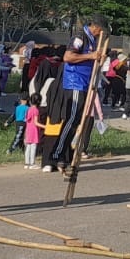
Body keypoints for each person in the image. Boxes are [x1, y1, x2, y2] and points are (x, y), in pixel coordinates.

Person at [52, 15, 109, 168]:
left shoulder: (93, 40)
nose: (100, 34)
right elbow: (68, 56)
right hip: (75, 82)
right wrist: (90, 55)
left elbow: (92, 60)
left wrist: (98, 59)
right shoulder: (80, 36)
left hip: (85, 83)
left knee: (78, 121)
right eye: (101, 31)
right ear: (96, 27)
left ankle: (68, 154)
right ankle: (58, 153)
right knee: (71, 119)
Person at [20, 94, 42, 169]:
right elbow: (36, 123)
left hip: (28, 130)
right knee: (33, 147)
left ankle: (26, 163)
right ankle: (32, 164)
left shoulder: (29, 109)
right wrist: (45, 126)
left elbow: (27, 120)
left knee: (28, 147)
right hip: (34, 131)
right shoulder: (36, 110)